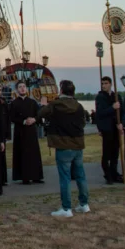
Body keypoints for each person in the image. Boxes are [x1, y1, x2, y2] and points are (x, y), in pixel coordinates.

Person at [38, 79, 89, 218]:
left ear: (61, 91)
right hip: (77, 144)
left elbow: (41, 114)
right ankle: (84, 204)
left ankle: (66, 208)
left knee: (65, 177)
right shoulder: (78, 106)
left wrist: (43, 105)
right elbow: (83, 122)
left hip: (63, 144)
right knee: (80, 175)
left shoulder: (55, 105)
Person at [9, 81, 44, 185]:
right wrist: (23, 121)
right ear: (17, 90)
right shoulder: (14, 103)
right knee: (22, 153)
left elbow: (39, 114)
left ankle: (36, 176)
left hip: (31, 131)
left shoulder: (32, 102)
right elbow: (12, 117)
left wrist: (34, 119)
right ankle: (25, 177)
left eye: (24, 86)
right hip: (20, 131)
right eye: (20, 87)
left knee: (34, 153)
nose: (22, 88)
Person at [95, 76, 125, 184]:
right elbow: (100, 113)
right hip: (107, 128)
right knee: (106, 153)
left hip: (116, 127)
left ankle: (114, 173)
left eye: (106, 83)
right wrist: (112, 108)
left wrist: (121, 123)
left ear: (111, 84)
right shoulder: (100, 97)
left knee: (115, 152)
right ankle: (107, 174)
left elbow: (123, 112)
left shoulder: (116, 96)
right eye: (102, 83)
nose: (104, 85)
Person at [0, 84, 11, 186]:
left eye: (0, 90)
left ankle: (2, 179)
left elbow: (7, 118)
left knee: (2, 155)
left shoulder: (3, 103)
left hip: (2, 131)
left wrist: (7, 133)